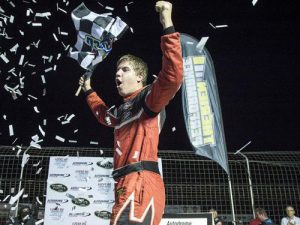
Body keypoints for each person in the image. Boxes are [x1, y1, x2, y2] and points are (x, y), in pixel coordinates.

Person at [79, 1, 183, 225]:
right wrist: (88, 89)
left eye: (125, 69)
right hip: (127, 183)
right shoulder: (122, 109)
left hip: (140, 182)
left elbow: (173, 77)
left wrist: (167, 22)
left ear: (140, 78)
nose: (118, 74)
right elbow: (103, 115)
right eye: (117, 70)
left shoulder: (147, 99)